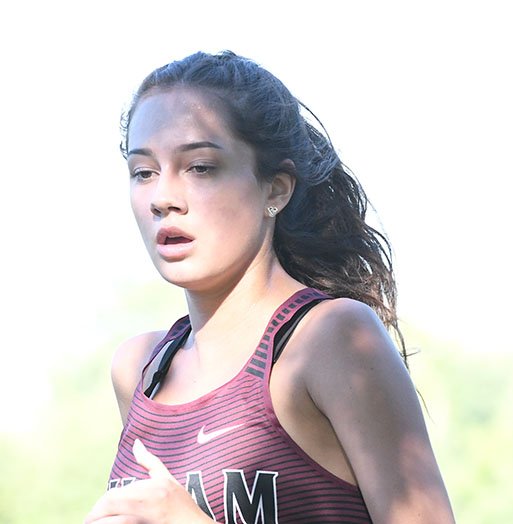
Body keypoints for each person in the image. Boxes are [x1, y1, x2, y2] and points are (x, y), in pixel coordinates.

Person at [84, 50, 455, 524]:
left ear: (275, 190)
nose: (162, 199)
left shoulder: (331, 339)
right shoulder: (139, 368)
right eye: (143, 172)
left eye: (200, 167)